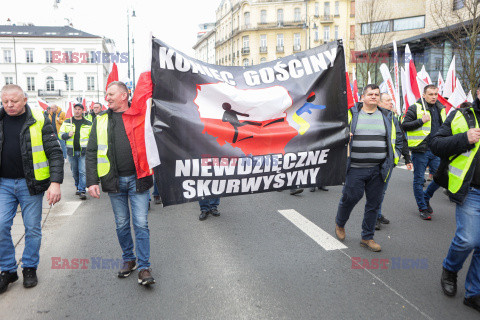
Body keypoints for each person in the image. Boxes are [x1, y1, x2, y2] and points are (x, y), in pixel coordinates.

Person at [86, 81, 155, 286]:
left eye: (111, 94)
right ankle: (129, 259)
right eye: (106, 94)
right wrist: (91, 181)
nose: (106, 97)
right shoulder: (100, 120)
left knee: (141, 224)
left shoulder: (141, 115)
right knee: (122, 224)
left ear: (124, 96)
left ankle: (144, 267)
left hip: (138, 179)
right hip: (113, 181)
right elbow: (91, 152)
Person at [0, 84, 63, 294]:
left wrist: (55, 182)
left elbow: (55, 152)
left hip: (31, 185)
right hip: (4, 185)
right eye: (5, 101)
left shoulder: (38, 119)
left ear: (25, 100)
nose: (9, 105)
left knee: (32, 228)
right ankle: (8, 270)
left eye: (14, 101)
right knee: (0, 226)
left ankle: (29, 267)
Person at [335, 84, 403, 252]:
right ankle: (340, 223)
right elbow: (336, 133)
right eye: (370, 94)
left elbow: (396, 138)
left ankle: (367, 237)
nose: (374, 96)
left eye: (377, 94)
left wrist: (394, 158)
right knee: (350, 198)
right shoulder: (351, 115)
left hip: (378, 169)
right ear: (362, 97)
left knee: (374, 204)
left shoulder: (388, 116)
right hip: (356, 168)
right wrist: (344, 136)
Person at [430, 84, 480, 312]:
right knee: (468, 239)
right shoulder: (461, 114)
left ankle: (474, 293)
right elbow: (436, 144)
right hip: (472, 191)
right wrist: (464, 138)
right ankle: (450, 269)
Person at [402, 84, 446, 220]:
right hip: (421, 150)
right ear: (424, 95)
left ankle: (426, 197)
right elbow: (404, 125)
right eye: (431, 94)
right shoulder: (415, 107)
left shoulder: (441, 108)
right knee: (419, 180)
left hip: (437, 150)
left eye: (435, 94)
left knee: (441, 178)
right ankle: (422, 207)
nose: (433, 97)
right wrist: (421, 121)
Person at [375, 93, 413, 230]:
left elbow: (401, 139)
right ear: (379, 103)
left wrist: (405, 157)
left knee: (382, 190)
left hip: (389, 161)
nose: (391, 103)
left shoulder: (393, 117)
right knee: (376, 190)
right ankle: (373, 218)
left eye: (391, 100)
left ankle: (377, 214)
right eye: (387, 100)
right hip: (377, 161)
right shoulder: (375, 116)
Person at [59, 103, 92, 200]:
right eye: (75, 109)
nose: (77, 111)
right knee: (75, 172)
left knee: (83, 171)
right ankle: (78, 186)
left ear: (82, 111)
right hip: (71, 151)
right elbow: (60, 135)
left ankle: (82, 190)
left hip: (84, 152)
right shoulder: (67, 122)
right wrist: (67, 135)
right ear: (73, 110)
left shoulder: (88, 123)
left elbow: (92, 137)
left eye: (79, 109)